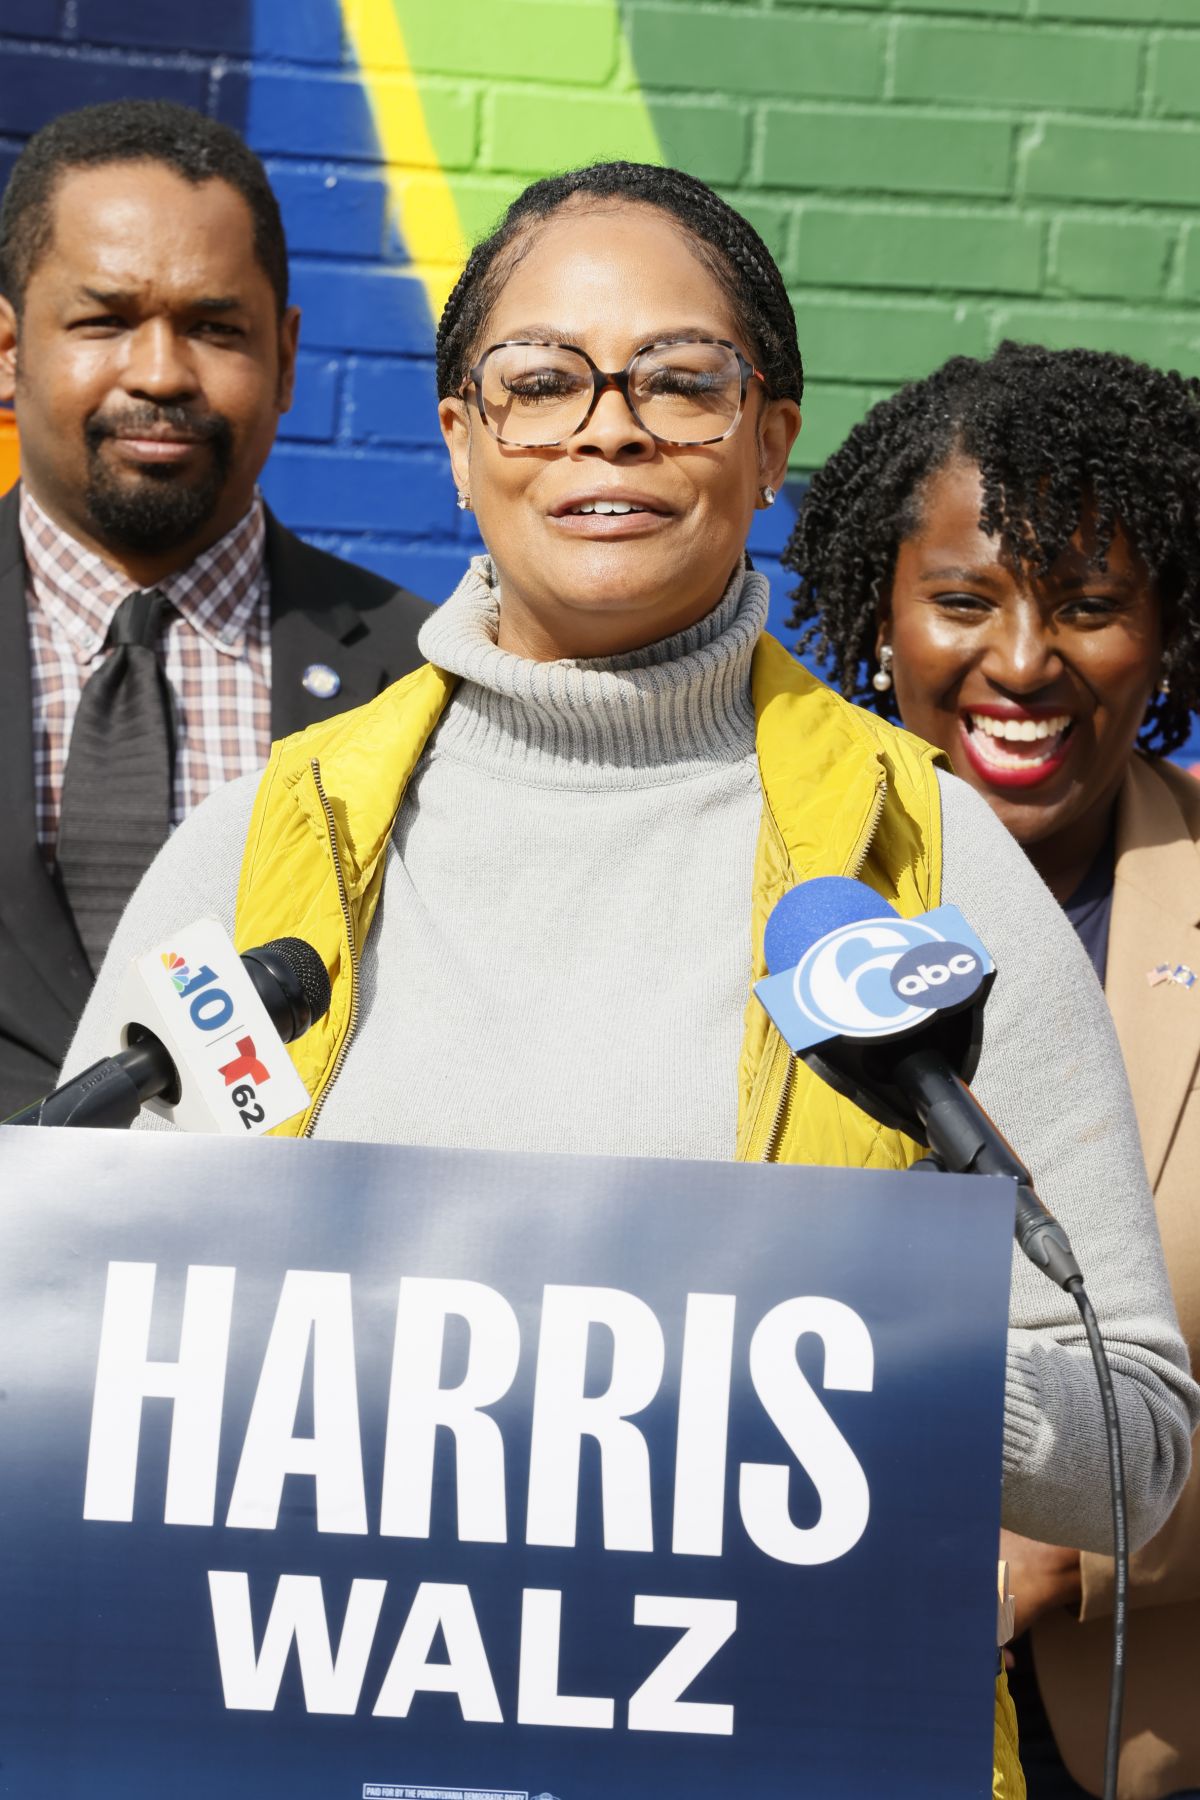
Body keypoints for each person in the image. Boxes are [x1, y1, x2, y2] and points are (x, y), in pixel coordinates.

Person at [64, 167, 1200, 1799]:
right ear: (463, 442)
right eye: (541, 383)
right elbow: (88, 1349)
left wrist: (786, 1360)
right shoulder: (262, 852)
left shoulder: (930, 868)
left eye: (681, 380)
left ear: (770, 437)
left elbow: (1136, 1440)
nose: (610, 429)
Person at [783, 339, 1200, 1800]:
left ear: (1168, 635)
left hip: (1140, 1739)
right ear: (882, 616)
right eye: (964, 600)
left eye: (1090, 607)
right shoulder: (755, 882)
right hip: (781, 1691)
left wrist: (1074, 1546)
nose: (1022, 661)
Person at [0, 99, 431, 1117]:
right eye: (104, 320)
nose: (158, 373)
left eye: (214, 328)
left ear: (284, 358)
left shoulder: (425, 681)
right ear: (9, 349)